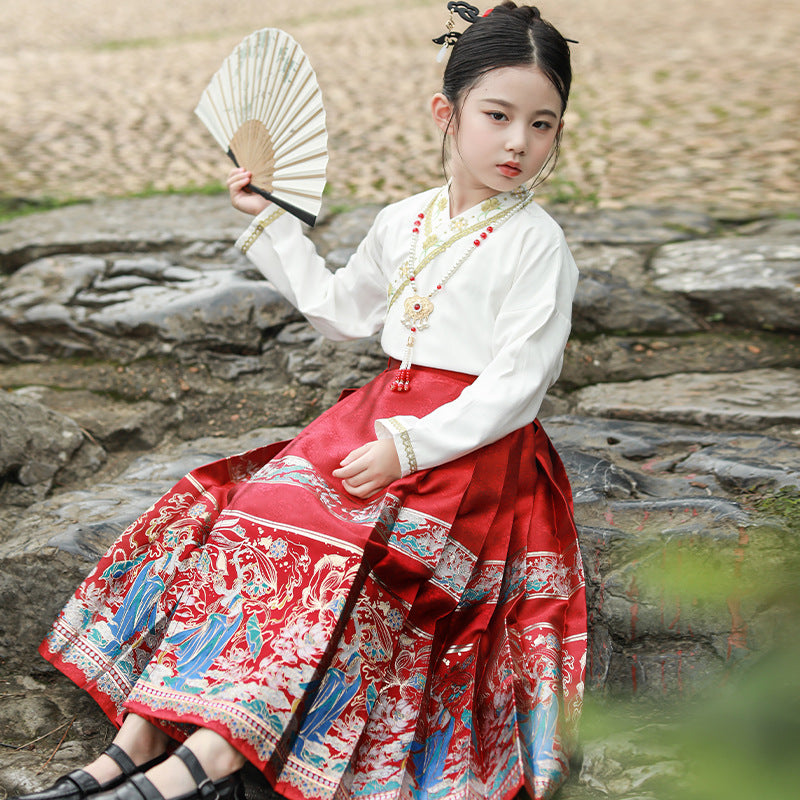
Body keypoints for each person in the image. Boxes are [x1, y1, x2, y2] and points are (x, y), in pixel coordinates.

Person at [14, 3, 586, 800]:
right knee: (246, 511)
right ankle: (134, 742)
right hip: (375, 412)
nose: (519, 142)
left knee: (340, 556)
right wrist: (274, 228)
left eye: (543, 123)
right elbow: (346, 311)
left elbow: (519, 383)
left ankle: (201, 763)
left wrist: (408, 448)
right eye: (498, 116)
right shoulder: (404, 220)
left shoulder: (537, 243)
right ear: (446, 113)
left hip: (470, 451)